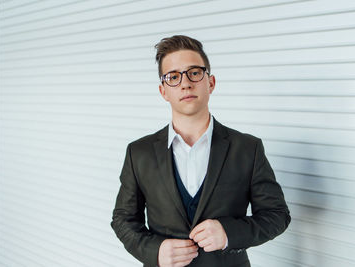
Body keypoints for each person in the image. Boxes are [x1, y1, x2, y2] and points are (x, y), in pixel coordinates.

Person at [111, 35, 291, 267]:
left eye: (194, 73)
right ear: (163, 91)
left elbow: (277, 215)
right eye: (173, 77)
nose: (185, 83)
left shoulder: (248, 148)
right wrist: (155, 251)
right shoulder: (139, 153)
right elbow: (123, 219)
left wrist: (229, 233)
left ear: (211, 82)